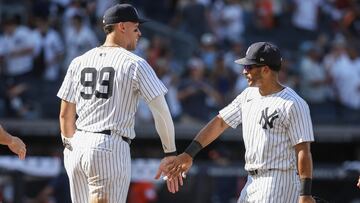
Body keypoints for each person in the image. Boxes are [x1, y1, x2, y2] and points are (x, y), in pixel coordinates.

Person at [57, 4, 182, 203]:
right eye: (136, 28)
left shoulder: (79, 61)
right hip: (109, 146)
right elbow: (161, 112)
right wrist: (170, 153)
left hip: (77, 145)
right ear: (121, 27)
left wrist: (70, 147)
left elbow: (65, 115)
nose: (139, 33)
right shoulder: (135, 63)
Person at [167, 42, 316, 203]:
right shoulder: (248, 95)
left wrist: (305, 194)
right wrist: (189, 154)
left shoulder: (292, 103)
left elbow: (303, 151)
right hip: (252, 181)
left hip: (278, 180)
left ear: (266, 69)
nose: (244, 71)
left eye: (250, 67)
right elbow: (220, 123)